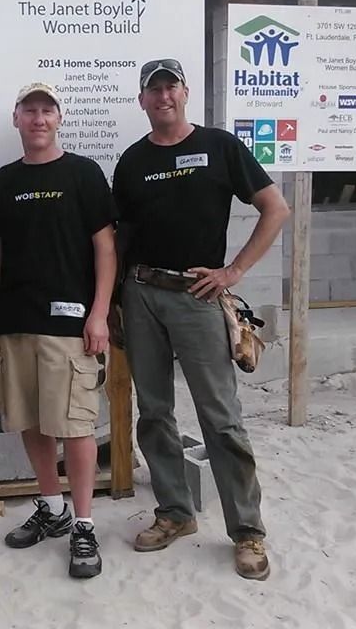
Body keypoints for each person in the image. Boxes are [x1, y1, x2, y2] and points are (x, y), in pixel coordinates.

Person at [112, 58, 290, 581]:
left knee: (220, 416)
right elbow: (121, 233)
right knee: (154, 410)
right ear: (142, 100)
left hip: (197, 295)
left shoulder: (220, 147)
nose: (163, 96)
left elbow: (274, 208)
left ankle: (248, 532)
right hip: (141, 293)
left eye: (171, 86)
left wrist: (233, 270)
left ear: (185, 93)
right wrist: (118, 300)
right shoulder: (132, 161)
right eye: (153, 89)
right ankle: (174, 513)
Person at [0, 82, 117, 579]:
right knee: (32, 421)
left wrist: (98, 312)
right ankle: (51, 507)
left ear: (59, 118)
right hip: (15, 324)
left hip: (70, 326)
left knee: (75, 424)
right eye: (29, 110)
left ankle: (83, 525)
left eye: (47, 110)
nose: (38, 118)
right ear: (16, 118)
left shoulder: (83, 173)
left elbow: (105, 246)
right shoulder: (1, 181)